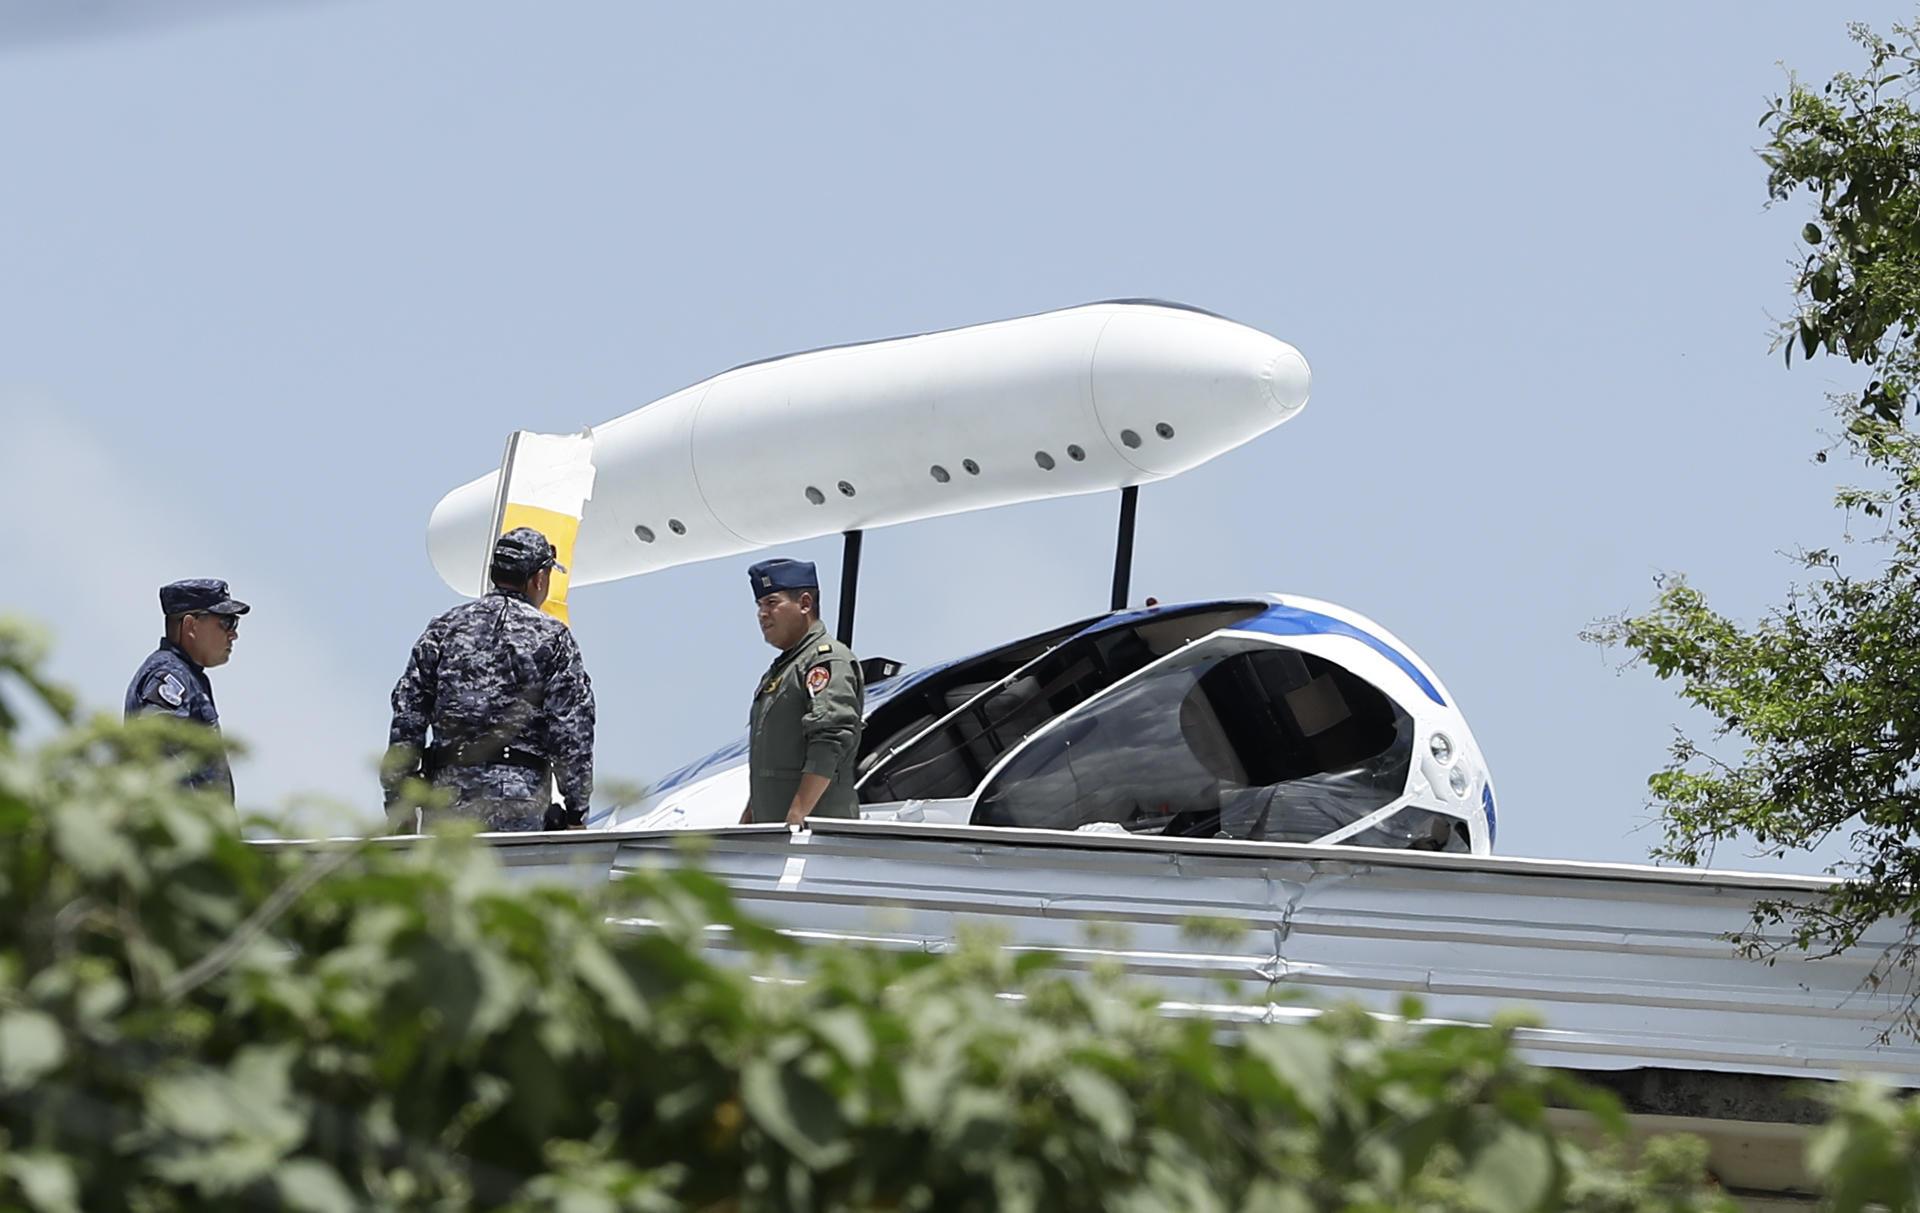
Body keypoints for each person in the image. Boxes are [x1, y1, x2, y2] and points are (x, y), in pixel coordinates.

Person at [385, 527, 595, 832]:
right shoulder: (554, 639)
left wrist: (397, 798)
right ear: (539, 579)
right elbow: (572, 732)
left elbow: (408, 716)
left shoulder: (443, 630)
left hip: (448, 803)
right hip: (519, 805)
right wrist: (576, 812)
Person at [740, 558, 865, 827]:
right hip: (778, 833)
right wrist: (750, 819)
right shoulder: (784, 670)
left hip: (813, 837)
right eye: (760, 606)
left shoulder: (826, 661)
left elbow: (830, 740)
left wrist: (798, 815)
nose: (762, 614)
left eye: (771, 603)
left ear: (805, 604)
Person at [124, 578, 250, 803]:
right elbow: (156, 746)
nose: (233, 634)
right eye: (226, 622)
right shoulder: (170, 674)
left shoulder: (188, 676)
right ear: (191, 626)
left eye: (235, 623)